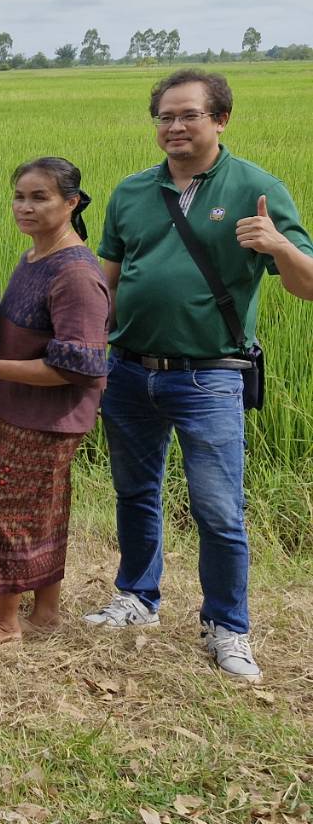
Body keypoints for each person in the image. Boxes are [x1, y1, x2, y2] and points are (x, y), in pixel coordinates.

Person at [85, 69, 313, 682]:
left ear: (221, 120)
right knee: (135, 492)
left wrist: (278, 246)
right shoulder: (132, 191)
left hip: (208, 377)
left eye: (189, 115)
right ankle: (137, 596)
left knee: (218, 509)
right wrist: (88, 352)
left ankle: (227, 626)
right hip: (129, 369)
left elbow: (308, 285)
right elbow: (108, 282)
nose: (175, 127)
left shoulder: (256, 188)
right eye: (165, 116)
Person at [0, 157, 111, 647]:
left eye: (40, 197)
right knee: (44, 511)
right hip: (23, 408)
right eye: (20, 197)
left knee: (10, 511)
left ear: (72, 203)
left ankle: (5, 622)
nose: (25, 206)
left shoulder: (75, 273)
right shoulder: (35, 257)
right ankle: (45, 612)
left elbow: (79, 364)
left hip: (46, 416)